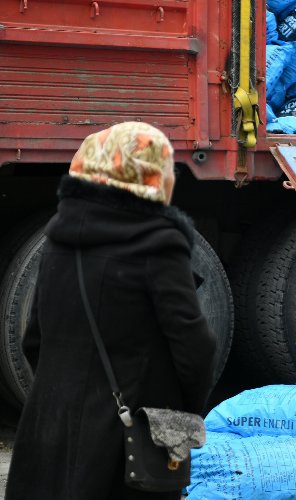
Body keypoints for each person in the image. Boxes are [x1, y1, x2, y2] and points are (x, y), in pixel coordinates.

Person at [5, 122, 218, 500]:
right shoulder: (159, 243)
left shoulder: (59, 237)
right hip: (123, 441)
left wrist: (61, 393)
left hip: (49, 428)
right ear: (151, 175)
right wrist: (179, 412)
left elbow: (33, 337)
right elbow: (194, 347)